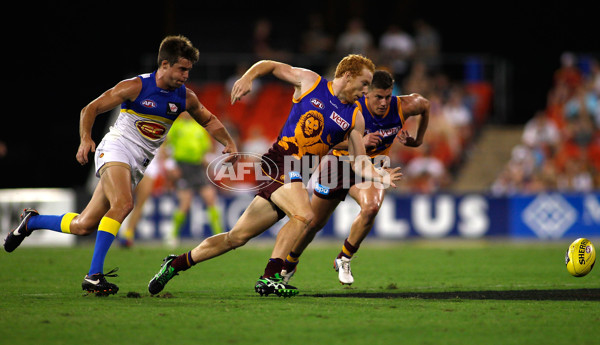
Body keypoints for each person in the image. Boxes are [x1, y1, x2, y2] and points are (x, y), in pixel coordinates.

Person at [147, 55, 403, 297]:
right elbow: (269, 65)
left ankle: (176, 263)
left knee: (236, 237)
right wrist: (248, 77)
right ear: (348, 75)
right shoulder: (310, 82)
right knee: (305, 214)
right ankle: (271, 276)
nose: (366, 91)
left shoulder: (355, 118)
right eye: (364, 83)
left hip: (298, 175)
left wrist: (379, 175)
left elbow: (359, 162)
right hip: (281, 161)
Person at [3, 35, 238, 295]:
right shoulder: (135, 86)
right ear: (164, 65)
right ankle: (93, 275)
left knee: (84, 224)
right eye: (182, 69)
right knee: (124, 204)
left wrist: (229, 143)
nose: (185, 75)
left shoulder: (185, 98)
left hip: (136, 165)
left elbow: (209, 121)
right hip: (116, 149)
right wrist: (85, 139)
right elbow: (90, 109)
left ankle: (31, 222)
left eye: (188, 70)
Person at [280, 70, 430, 285]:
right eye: (378, 97)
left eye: (388, 96)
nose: (384, 102)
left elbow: (425, 105)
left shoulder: (403, 106)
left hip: (373, 166)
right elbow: (326, 139)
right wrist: (359, 141)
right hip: (340, 163)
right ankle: (289, 264)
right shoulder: (351, 109)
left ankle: (344, 257)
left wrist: (418, 140)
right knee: (314, 223)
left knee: (371, 208)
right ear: (367, 93)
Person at [166, 112, 224, 246]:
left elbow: (206, 147)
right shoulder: (176, 126)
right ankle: (172, 235)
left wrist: (205, 161)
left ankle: (219, 234)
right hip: (182, 166)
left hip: (197, 167)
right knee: (185, 202)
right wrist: (171, 165)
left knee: (210, 197)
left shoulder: (198, 127)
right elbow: (167, 146)